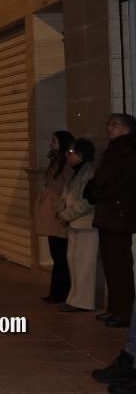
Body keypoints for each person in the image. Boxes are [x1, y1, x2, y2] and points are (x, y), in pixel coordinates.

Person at [86, 114, 136, 328]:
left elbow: (125, 183)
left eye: (114, 124)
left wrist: (100, 192)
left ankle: (124, 313)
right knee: (110, 265)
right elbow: (101, 177)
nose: (109, 128)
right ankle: (114, 308)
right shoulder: (113, 149)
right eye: (108, 124)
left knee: (120, 266)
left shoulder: (130, 149)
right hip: (108, 215)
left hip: (119, 215)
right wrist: (92, 189)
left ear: (127, 128)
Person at [55, 139, 98, 313]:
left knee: (84, 265)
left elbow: (86, 202)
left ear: (81, 154)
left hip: (86, 224)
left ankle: (83, 301)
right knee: (73, 261)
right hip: (75, 223)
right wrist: (60, 211)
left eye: (70, 152)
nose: (67, 155)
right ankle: (74, 298)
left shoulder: (89, 172)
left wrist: (65, 215)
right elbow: (66, 196)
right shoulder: (75, 172)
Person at [34, 131, 74, 304]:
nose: (51, 144)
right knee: (56, 254)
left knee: (60, 256)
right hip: (52, 217)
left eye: (54, 141)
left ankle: (61, 293)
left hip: (59, 217)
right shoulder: (55, 163)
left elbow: (67, 192)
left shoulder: (66, 166)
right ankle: (57, 292)